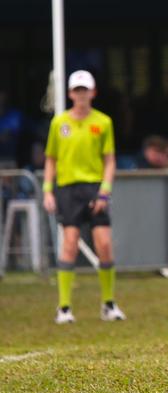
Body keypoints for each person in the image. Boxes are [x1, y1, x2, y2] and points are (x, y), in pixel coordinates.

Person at [42, 70, 126, 324]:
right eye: (77, 90)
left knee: (104, 245)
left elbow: (109, 160)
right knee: (69, 243)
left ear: (93, 92)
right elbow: (51, 159)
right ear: (69, 94)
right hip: (67, 188)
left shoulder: (103, 122)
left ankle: (108, 304)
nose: (81, 95)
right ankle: (64, 307)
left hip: (93, 187)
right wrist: (48, 190)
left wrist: (104, 191)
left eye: (85, 90)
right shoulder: (59, 123)